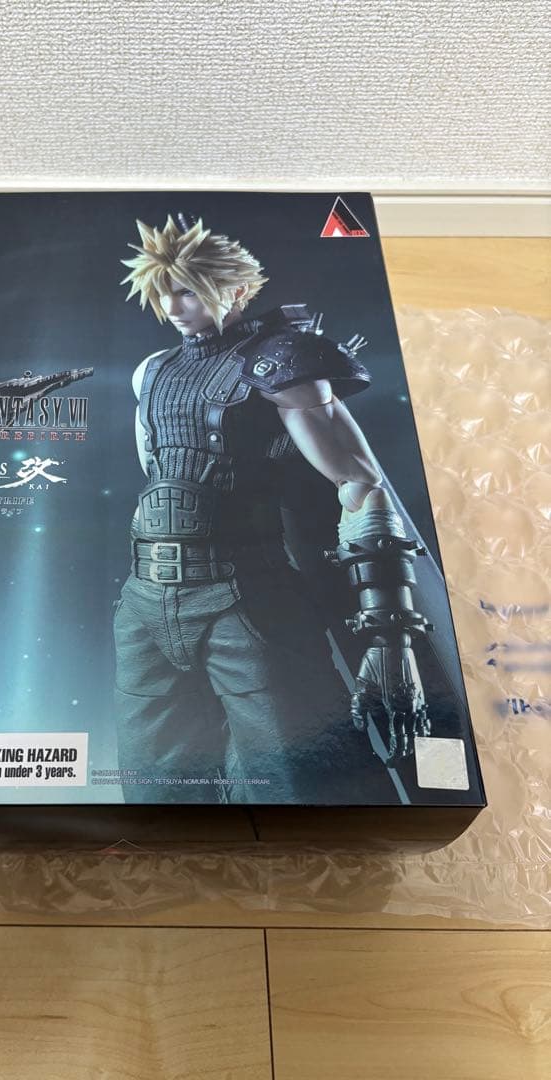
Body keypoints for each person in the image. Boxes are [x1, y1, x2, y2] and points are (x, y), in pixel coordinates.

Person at [113, 214, 431, 804]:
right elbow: (159, 481)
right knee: (156, 788)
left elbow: (360, 483)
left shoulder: (281, 364)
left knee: (294, 781)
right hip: (144, 600)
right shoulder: (151, 372)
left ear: (236, 289)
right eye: (164, 292)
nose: (174, 306)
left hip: (243, 593)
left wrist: (390, 637)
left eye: (188, 291)